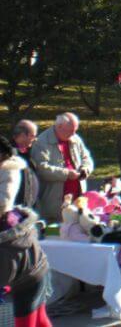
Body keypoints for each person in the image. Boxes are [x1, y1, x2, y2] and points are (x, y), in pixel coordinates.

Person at [0, 136, 52, 327]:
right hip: (33, 264)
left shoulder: (10, 170)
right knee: (39, 320)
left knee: (26, 322)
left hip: (29, 274)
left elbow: (3, 203)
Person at [31, 112, 94, 222]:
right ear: (59, 126)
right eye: (71, 131)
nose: (73, 134)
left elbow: (86, 157)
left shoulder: (75, 138)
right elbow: (41, 169)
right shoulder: (42, 141)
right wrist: (67, 174)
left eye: (75, 130)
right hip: (54, 202)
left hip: (77, 198)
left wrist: (86, 168)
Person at [11, 120, 39, 209]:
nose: (35, 139)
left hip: (27, 208)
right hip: (14, 209)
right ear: (23, 135)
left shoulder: (29, 153)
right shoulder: (9, 155)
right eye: (33, 136)